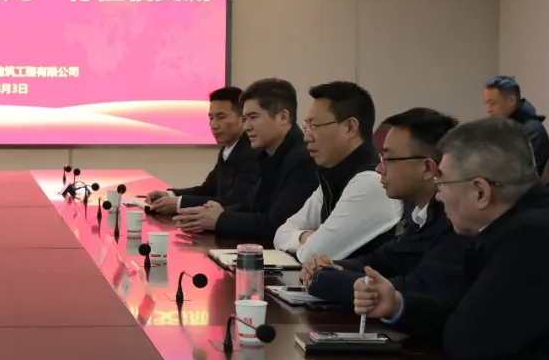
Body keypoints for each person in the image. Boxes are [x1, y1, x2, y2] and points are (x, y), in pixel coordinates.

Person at [354, 117, 549, 360]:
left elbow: (468, 341)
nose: (439, 196)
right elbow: (463, 309)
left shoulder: (534, 238)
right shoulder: (523, 221)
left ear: (480, 192)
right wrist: (397, 304)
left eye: (442, 182)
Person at [303, 108, 468, 305]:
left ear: (427, 168)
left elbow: (412, 289)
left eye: (387, 159)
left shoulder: (456, 223)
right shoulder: (418, 214)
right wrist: (327, 266)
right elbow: (378, 262)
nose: (379, 168)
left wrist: (323, 278)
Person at [274, 81, 402, 262]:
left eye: (314, 126)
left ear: (350, 127)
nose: (306, 137)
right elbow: (281, 233)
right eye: (306, 127)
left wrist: (307, 240)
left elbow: (312, 254)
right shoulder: (334, 175)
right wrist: (306, 237)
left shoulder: (371, 183)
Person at [172, 78, 317, 237]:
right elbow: (252, 207)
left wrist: (221, 219)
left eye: (253, 117)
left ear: (283, 117)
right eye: (245, 118)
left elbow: (278, 223)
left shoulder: (304, 159)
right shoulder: (267, 154)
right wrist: (215, 213)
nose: (246, 126)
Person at [146, 87, 259, 215]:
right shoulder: (227, 150)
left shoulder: (251, 152)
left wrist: (179, 203)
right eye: (211, 118)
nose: (214, 125)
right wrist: (170, 194)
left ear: (243, 119)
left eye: (221, 117)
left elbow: (236, 200)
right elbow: (208, 189)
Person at [483, 75, 549, 175]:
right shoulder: (505, 127)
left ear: (512, 100)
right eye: (487, 104)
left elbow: (524, 177)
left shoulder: (532, 132)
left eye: (493, 103)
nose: (489, 110)